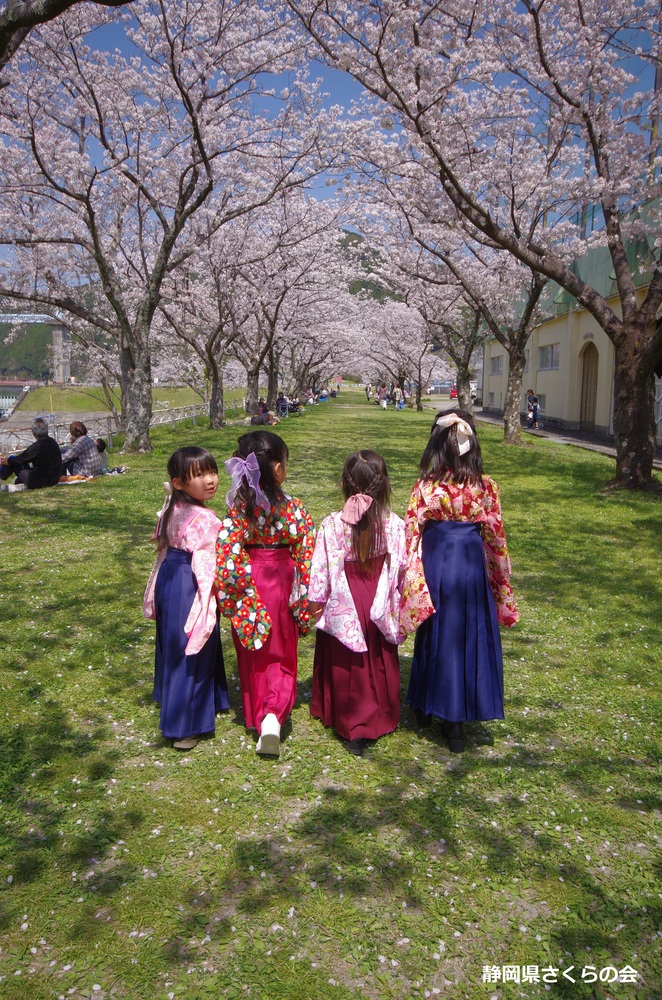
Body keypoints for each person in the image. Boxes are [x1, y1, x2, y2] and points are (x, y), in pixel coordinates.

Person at [401, 410, 518, 753]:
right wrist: (501, 585)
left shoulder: (425, 486)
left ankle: (425, 704)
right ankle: (456, 722)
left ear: (436, 444)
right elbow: (496, 538)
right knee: (465, 634)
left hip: (436, 559)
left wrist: (409, 580)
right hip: (468, 562)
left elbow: (411, 533)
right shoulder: (486, 486)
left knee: (434, 629)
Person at [216, 430, 315, 756]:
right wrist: (305, 596)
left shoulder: (239, 510)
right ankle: (274, 715)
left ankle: (259, 714)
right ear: (277, 470)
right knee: (281, 649)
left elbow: (228, 553)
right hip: (282, 579)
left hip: (249, 579)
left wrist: (233, 594)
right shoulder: (294, 509)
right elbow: (307, 553)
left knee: (253, 649)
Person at [308, 451, 406, 757]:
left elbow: (320, 569)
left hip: (344, 598)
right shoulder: (394, 524)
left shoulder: (331, 524)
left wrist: (316, 602)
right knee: (377, 655)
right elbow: (402, 567)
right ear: (384, 486)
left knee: (347, 658)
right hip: (377, 595)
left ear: (343, 485)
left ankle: (350, 721)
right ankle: (383, 714)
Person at [143, 446, 230, 750]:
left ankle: (208, 698)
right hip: (190, 580)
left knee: (176, 642)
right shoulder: (206, 519)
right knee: (191, 644)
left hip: (170, 575)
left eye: (212, 471)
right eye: (200, 475)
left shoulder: (173, 506)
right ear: (179, 483)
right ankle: (182, 725)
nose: (211, 480)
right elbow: (211, 561)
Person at [0, 417, 61, 491]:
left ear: (34, 432)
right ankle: (19, 484)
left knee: (13, 461)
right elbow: (24, 458)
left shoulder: (38, 446)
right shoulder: (53, 442)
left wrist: (7, 461)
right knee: (12, 460)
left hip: (42, 481)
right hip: (54, 479)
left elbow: (20, 459)